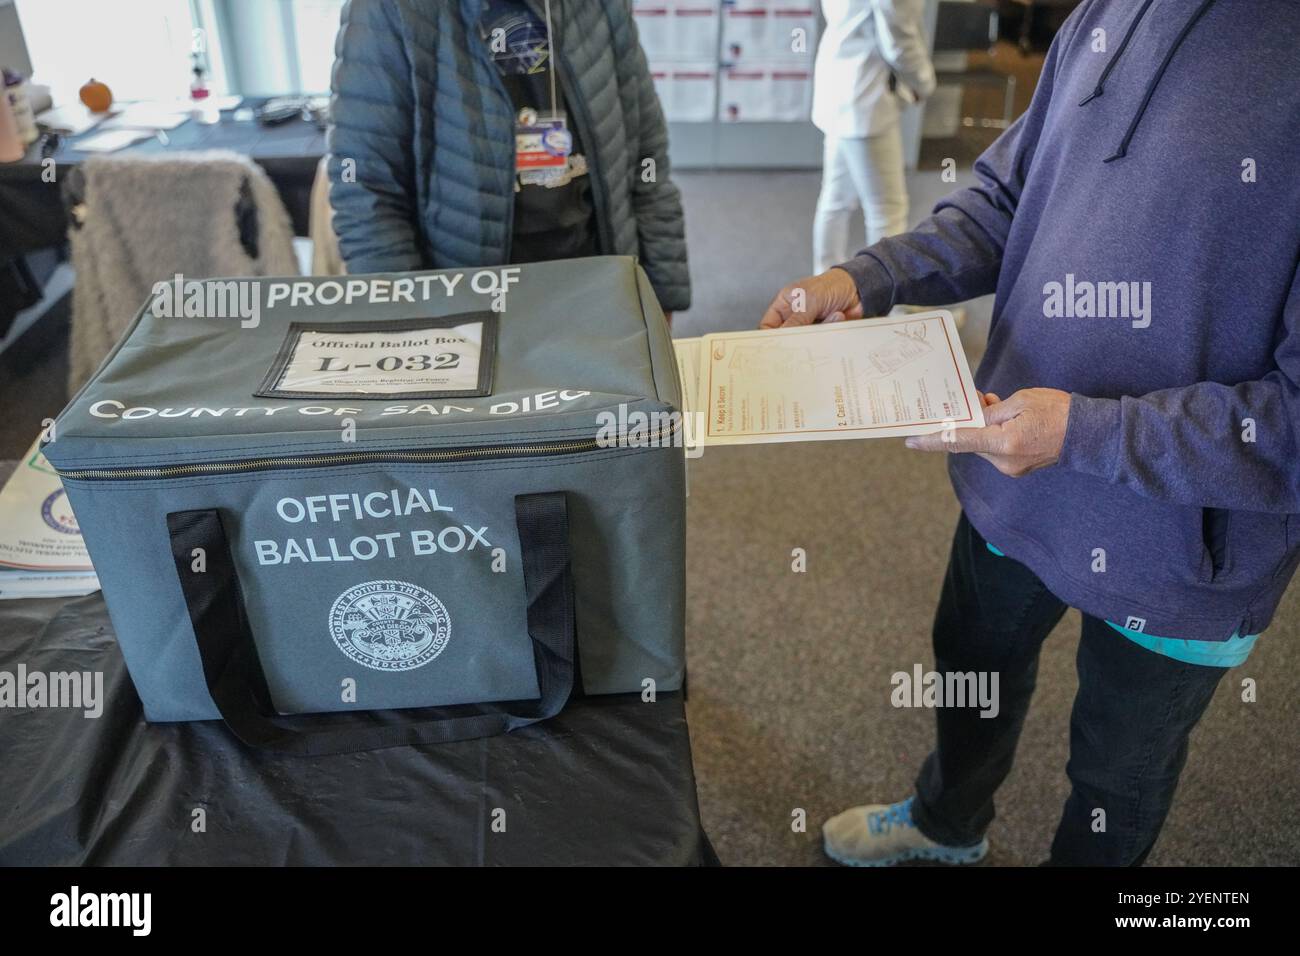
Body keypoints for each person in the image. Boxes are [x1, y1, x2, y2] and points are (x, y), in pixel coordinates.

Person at [761, 0, 1300, 866]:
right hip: (1014, 472)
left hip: (1186, 540)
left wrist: (1082, 435)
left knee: (1115, 775)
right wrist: (872, 275)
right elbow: (1009, 198)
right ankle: (946, 824)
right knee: (972, 665)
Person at [328, 0, 690, 319]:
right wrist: (407, 327)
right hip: (463, 313)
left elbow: (648, 160)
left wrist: (661, 294)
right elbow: (367, 192)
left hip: (601, 293)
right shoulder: (388, 10)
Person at [811, 0, 935, 274]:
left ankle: (824, 294)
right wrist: (923, 82)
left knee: (836, 200)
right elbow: (898, 40)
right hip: (866, 97)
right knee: (887, 210)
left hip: (839, 87)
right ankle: (890, 308)